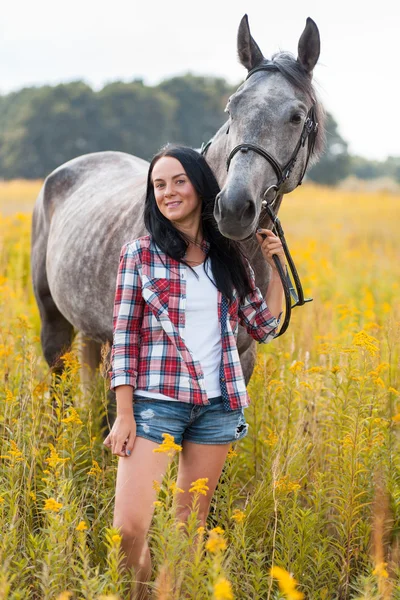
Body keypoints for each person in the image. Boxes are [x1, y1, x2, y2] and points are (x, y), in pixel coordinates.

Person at [103, 145, 285, 599]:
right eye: (159, 185)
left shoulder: (229, 259)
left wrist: (277, 265)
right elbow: (123, 341)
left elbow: (265, 327)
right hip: (154, 407)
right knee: (128, 530)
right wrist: (124, 415)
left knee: (188, 531)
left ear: (201, 187)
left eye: (179, 181)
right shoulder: (139, 255)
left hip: (216, 410)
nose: (168, 192)